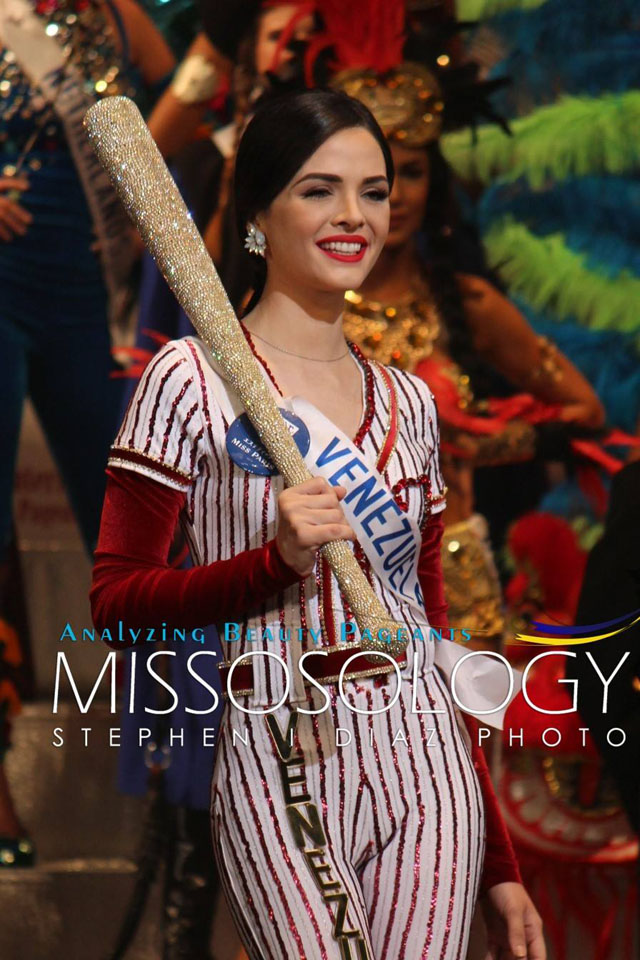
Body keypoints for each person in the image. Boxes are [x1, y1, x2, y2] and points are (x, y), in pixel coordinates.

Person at [91, 89, 545, 959]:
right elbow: (116, 603)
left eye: (374, 191)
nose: (356, 217)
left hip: (423, 756)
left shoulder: (410, 403)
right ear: (258, 213)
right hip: (274, 743)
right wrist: (273, 563)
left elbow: (431, 631)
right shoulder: (187, 381)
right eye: (318, 190)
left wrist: (500, 865)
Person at [0, 0, 173, 864]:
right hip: (2, 278)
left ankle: (171, 759)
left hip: (87, 299)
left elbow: (186, 113)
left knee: (132, 518)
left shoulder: (120, 14)